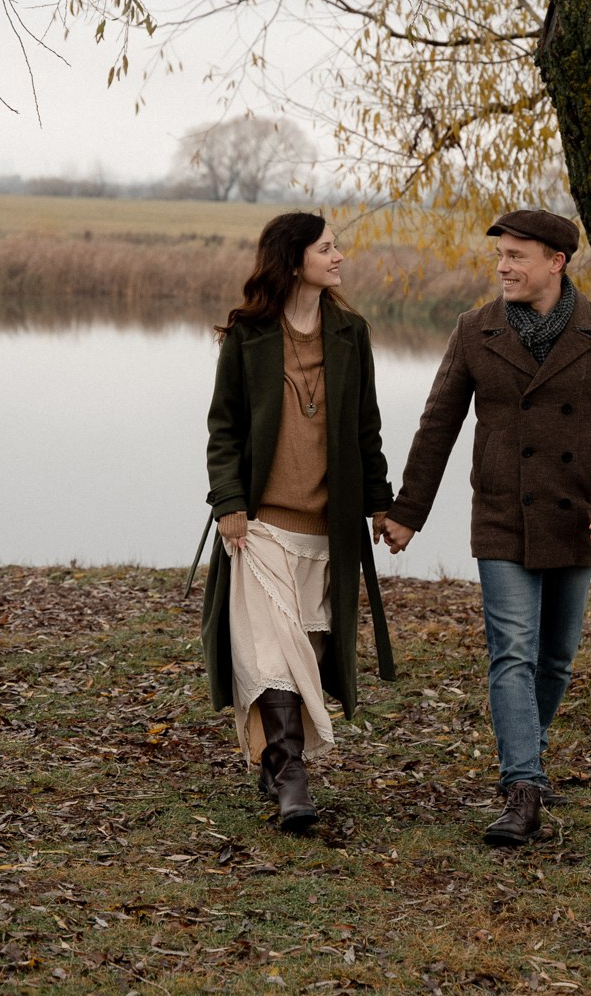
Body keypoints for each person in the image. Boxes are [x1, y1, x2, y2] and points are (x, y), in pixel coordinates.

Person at [381, 207, 591, 846]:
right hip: (502, 515)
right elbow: (438, 424)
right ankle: (523, 786)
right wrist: (407, 513)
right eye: (499, 255)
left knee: (554, 661)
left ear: (556, 262)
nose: (503, 267)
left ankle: (526, 755)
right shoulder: (475, 330)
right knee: (512, 651)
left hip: (578, 518)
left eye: (517, 257)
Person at [201, 212, 395, 833]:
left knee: (306, 651)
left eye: (335, 248)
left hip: (326, 530)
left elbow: (367, 427)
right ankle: (291, 780)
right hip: (260, 530)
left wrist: (380, 503)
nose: (338, 257)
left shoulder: (350, 333)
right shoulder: (248, 336)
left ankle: (274, 761)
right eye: (327, 248)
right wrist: (229, 501)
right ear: (293, 262)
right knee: (272, 656)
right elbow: (224, 428)